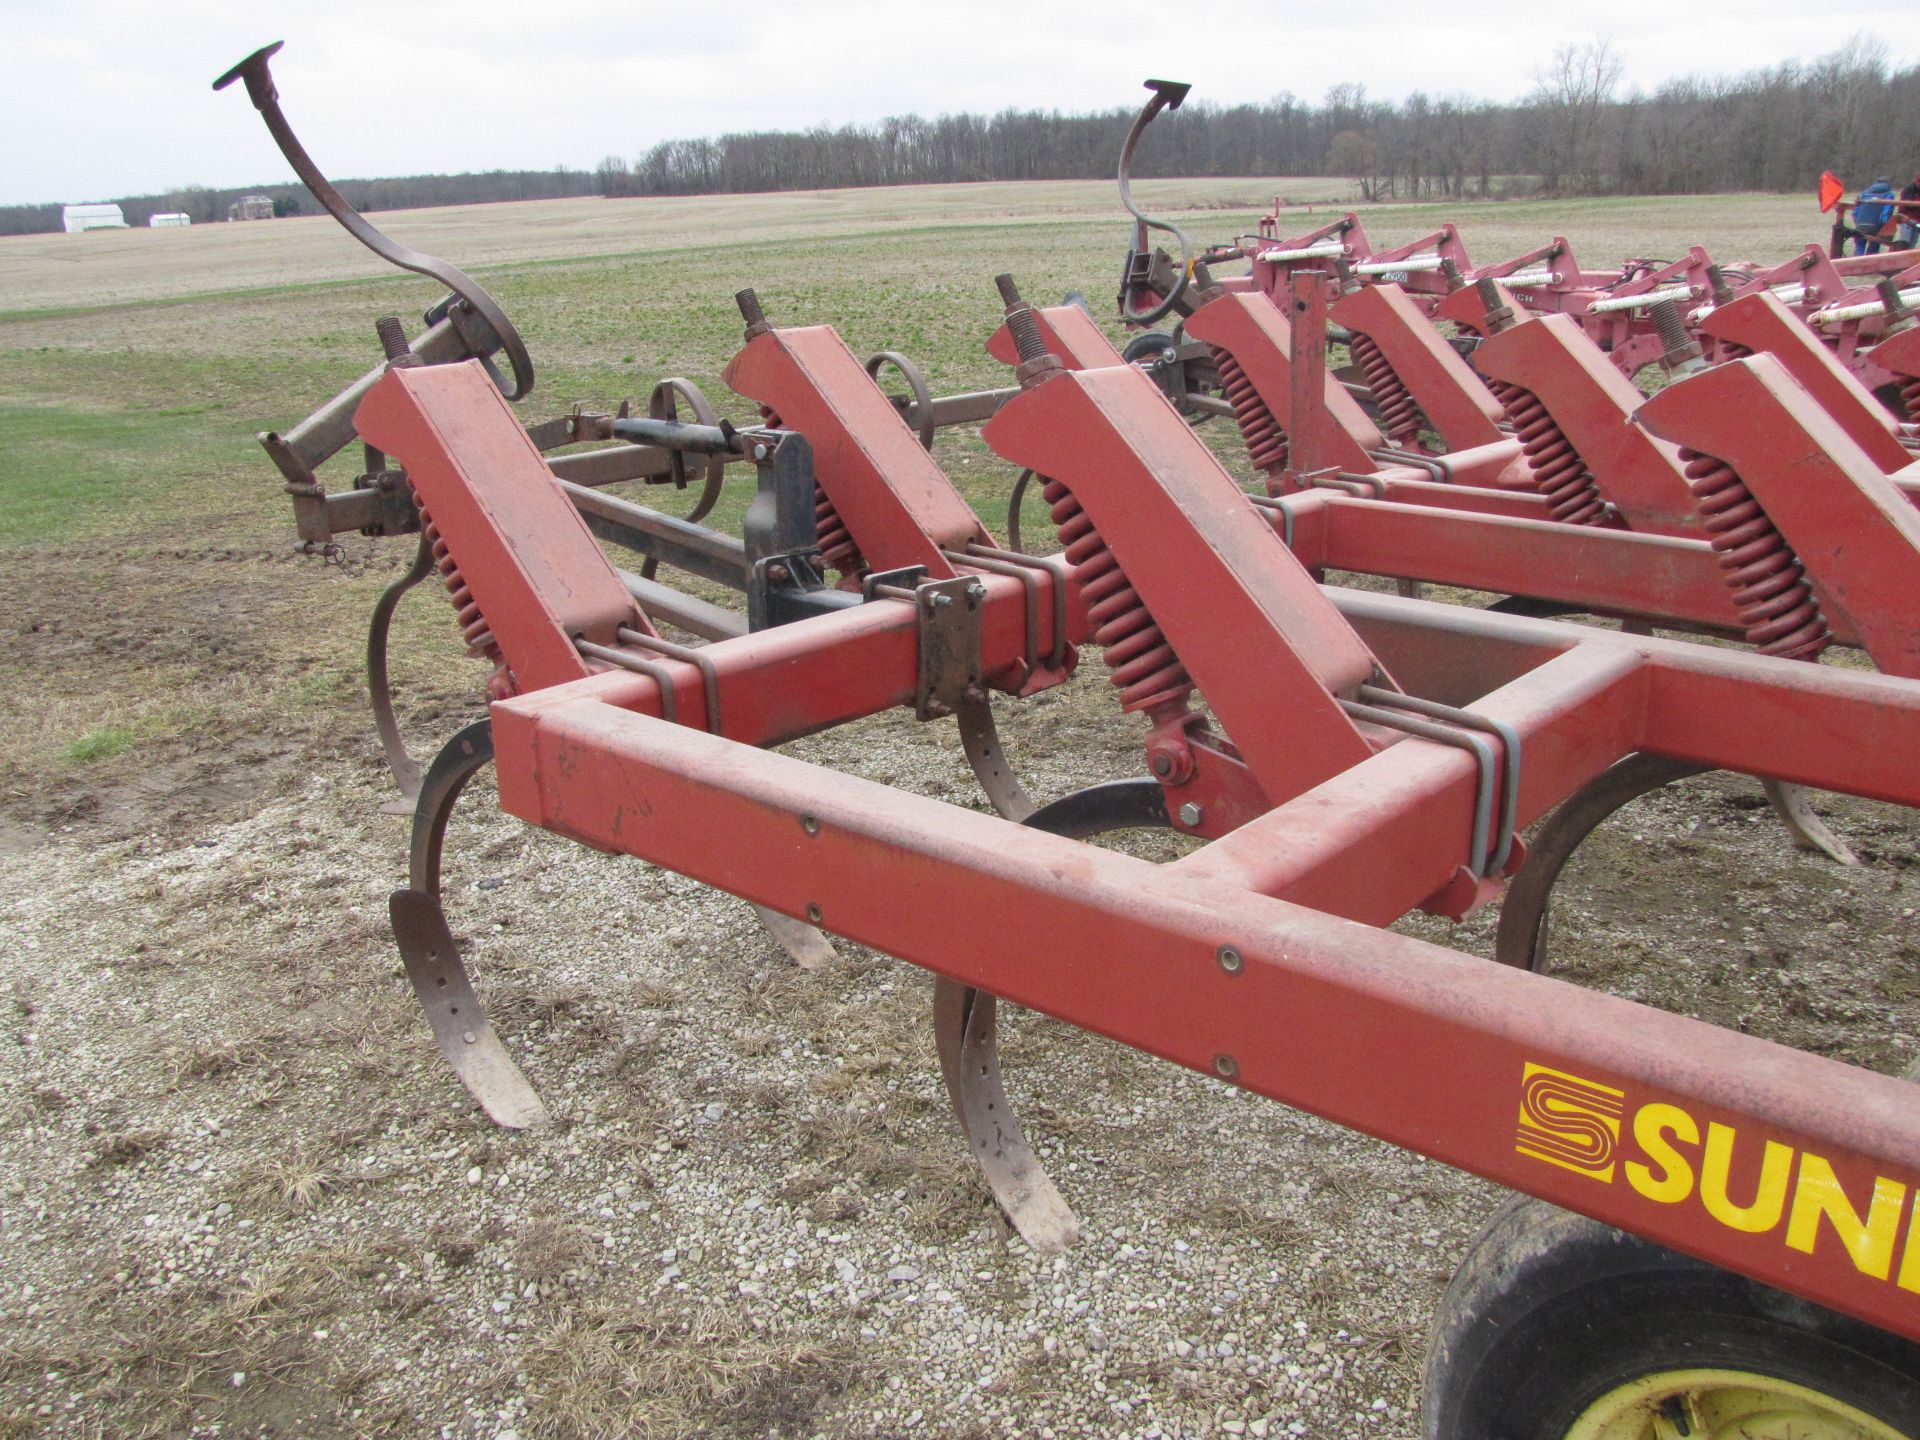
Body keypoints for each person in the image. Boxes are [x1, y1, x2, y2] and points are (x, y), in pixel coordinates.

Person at [1853, 177, 1896, 255]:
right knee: (1874, 245)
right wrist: (1884, 224)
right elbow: (1887, 211)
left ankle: (1855, 264)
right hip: (1876, 225)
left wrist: (1857, 222)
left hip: (1860, 224)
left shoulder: (1864, 193)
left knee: (1859, 245)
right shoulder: (1889, 194)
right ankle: (1869, 265)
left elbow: (1855, 211)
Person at [1897, 173, 1920, 251]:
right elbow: (1906, 204)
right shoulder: (1908, 189)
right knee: (1904, 242)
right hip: (1907, 219)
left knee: (1913, 242)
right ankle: (1901, 259)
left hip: (1918, 221)